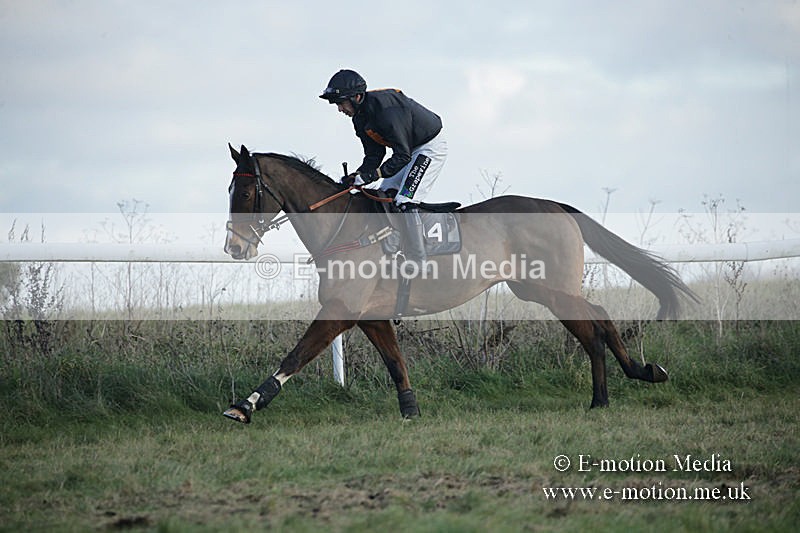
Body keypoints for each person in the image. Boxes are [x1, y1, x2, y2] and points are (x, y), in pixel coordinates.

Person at [319, 69, 447, 268]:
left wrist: (374, 174)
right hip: (408, 150)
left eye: (341, 103)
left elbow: (402, 155)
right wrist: (359, 175)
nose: (339, 109)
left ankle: (419, 259)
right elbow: (374, 154)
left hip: (428, 147)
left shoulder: (387, 111)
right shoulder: (359, 118)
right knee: (384, 195)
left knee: (405, 200)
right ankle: (396, 247)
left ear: (357, 97)